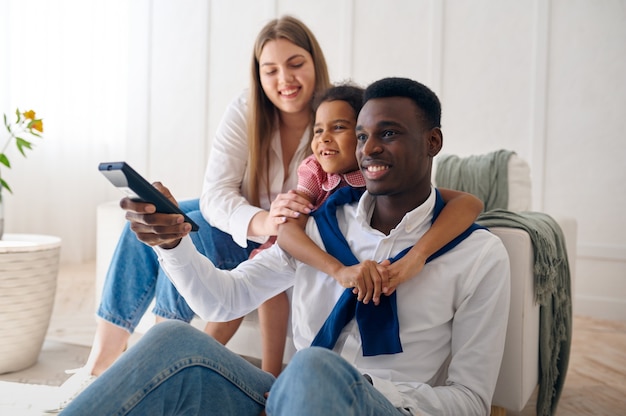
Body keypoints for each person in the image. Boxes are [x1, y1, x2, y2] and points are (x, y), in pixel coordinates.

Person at [61, 77, 511, 416]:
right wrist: (173, 244)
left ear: (432, 142)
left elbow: (471, 400)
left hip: (385, 406)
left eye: (388, 134)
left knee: (315, 366)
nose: (369, 148)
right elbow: (222, 300)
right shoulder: (319, 227)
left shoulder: (476, 256)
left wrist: (357, 385)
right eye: (362, 136)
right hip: (284, 400)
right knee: (172, 339)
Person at [47, 15, 331, 412]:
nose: (285, 78)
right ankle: (100, 364)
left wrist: (273, 227)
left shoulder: (332, 121)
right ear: (259, 75)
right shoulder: (247, 109)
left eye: (296, 63)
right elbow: (216, 194)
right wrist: (262, 221)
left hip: (287, 238)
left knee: (185, 231)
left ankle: (161, 345)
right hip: (248, 222)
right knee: (157, 217)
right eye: (271, 70)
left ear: (315, 62)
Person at [277, 83, 484, 303]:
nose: (324, 138)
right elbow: (287, 230)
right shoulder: (315, 172)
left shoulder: (377, 176)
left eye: (338, 127)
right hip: (313, 263)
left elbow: (468, 202)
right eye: (318, 130)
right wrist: (337, 270)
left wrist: (417, 256)